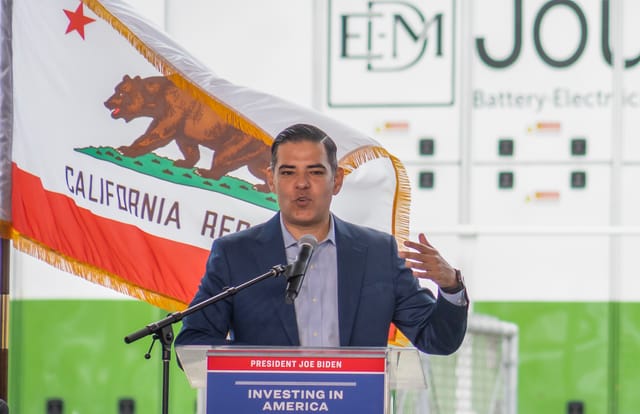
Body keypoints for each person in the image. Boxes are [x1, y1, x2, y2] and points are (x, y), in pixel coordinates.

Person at [175, 124, 468, 354]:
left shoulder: (378, 253)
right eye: (288, 172)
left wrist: (451, 286)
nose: (301, 184)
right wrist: (266, 362)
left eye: (315, 172)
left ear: (337, 180)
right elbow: (193, 342)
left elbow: (437, 340)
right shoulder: (235, 254)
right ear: (271, 180)